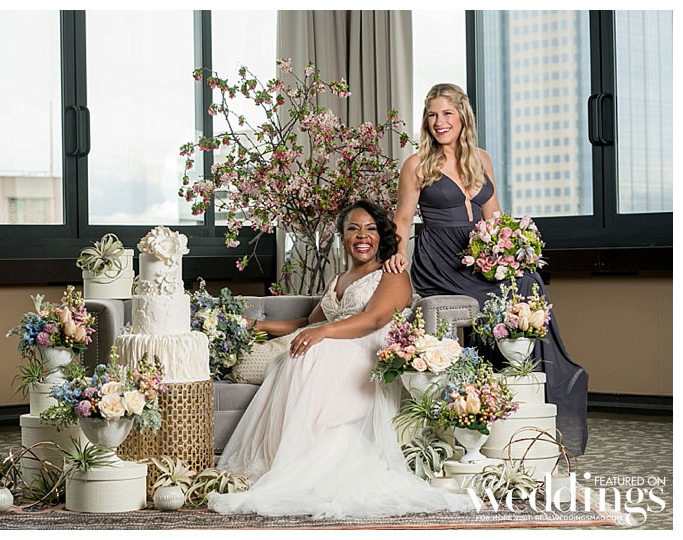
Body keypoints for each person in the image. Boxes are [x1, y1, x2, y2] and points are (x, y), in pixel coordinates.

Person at [208, 200, 476, 518]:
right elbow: (307, 323)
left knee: (313, 351)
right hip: (335, 349)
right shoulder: (338, 278)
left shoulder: (392, 272)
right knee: (292, 356)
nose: (362, 235)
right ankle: (289, 459)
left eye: (371, 228)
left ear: (382, 235)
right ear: (342, 236)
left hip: (368, 355)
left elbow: (375, 319)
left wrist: (323, 333)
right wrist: (258, 325)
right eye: (353, 228)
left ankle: (302, 458)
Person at [383, 83, 588, 456]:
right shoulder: (417, 163)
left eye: (447, 113)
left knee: (526, 281)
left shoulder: (481, 159)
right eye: (432, 115)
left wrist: (508, 252)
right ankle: (495, 382)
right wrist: (397, 253)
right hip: (441, 260)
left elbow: (493, 216)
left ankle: (526, 382)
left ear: (462, 116)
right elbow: (402, 218)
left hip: (477, 255)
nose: (439, 122)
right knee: (504, 294)